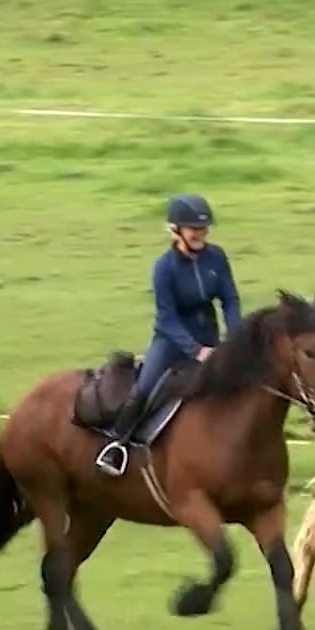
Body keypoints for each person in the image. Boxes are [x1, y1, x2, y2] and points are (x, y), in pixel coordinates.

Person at [95, 193, 240, 477]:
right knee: (145, 389)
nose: (200, 234)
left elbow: (230, 299)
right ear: (176, 231)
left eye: (204, 228)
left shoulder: (217, 257)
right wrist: (196, 350)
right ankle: (116, 445)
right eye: (194, 229)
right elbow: (167, 317)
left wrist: (235, 337)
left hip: (209, 334)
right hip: (171, 341)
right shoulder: (164, 268)